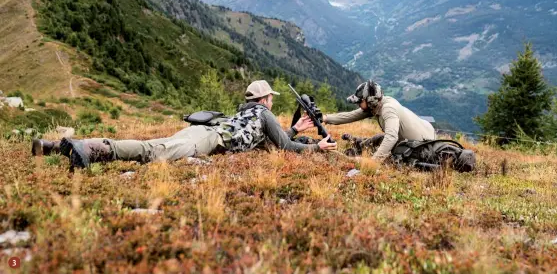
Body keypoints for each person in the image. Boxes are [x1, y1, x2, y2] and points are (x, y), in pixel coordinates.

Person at [32, 80, 337, 169]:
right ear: (265, 99)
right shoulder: (264, 113)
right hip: (206, 140)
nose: (272, 102)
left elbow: (274, 140)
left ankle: (53, 146)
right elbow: (282, 146)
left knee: (158, 146)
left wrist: (298, 129)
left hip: (201, 132)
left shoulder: (245, 112)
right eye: (271, 98)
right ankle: (88, 147)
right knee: (154, 151)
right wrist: (317, 147)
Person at [322, 80, 475, 171]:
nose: (358, 104)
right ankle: (358, 142)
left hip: (421, 144)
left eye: (360, 101)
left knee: (388, 146)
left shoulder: (387, 109)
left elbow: (391, 137)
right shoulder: (377, 104)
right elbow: (352, 115)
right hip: (422, 132)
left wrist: (373, 162)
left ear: (370, 101)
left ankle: (359, 144)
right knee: (378, 139)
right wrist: (326, 118)